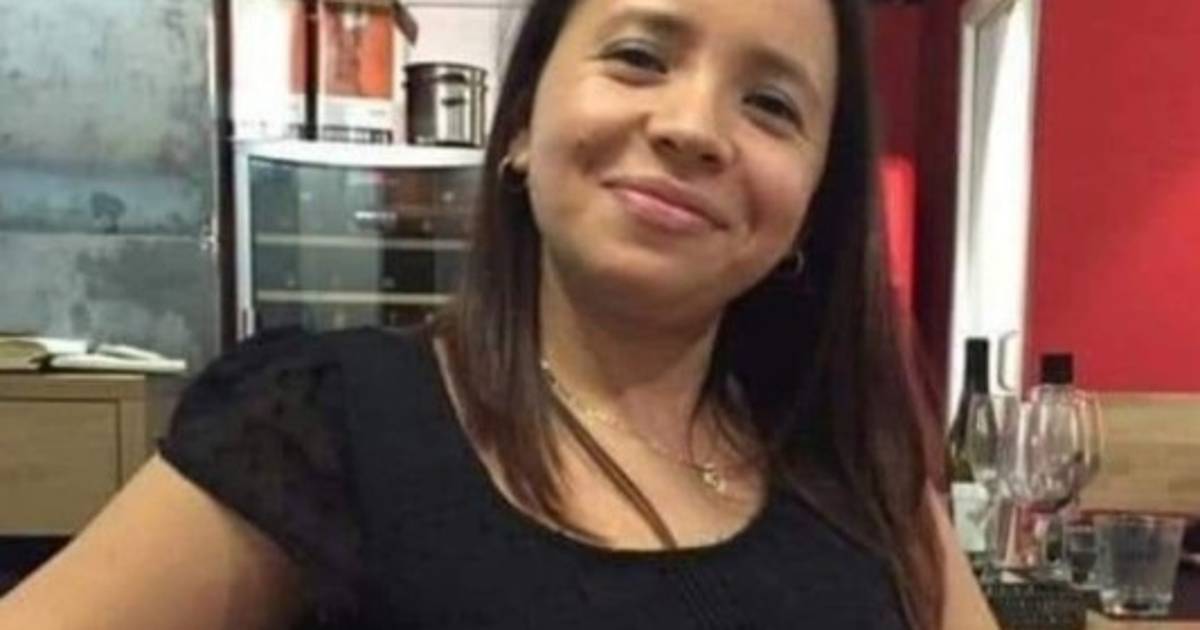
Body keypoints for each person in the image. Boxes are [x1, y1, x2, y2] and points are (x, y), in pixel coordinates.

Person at [0, 0, 998, 628]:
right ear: (519, 124)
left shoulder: (859, 472)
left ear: (813, 206)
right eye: (640, 56)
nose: (694, 127)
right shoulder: (323, 424)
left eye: (772, 105)